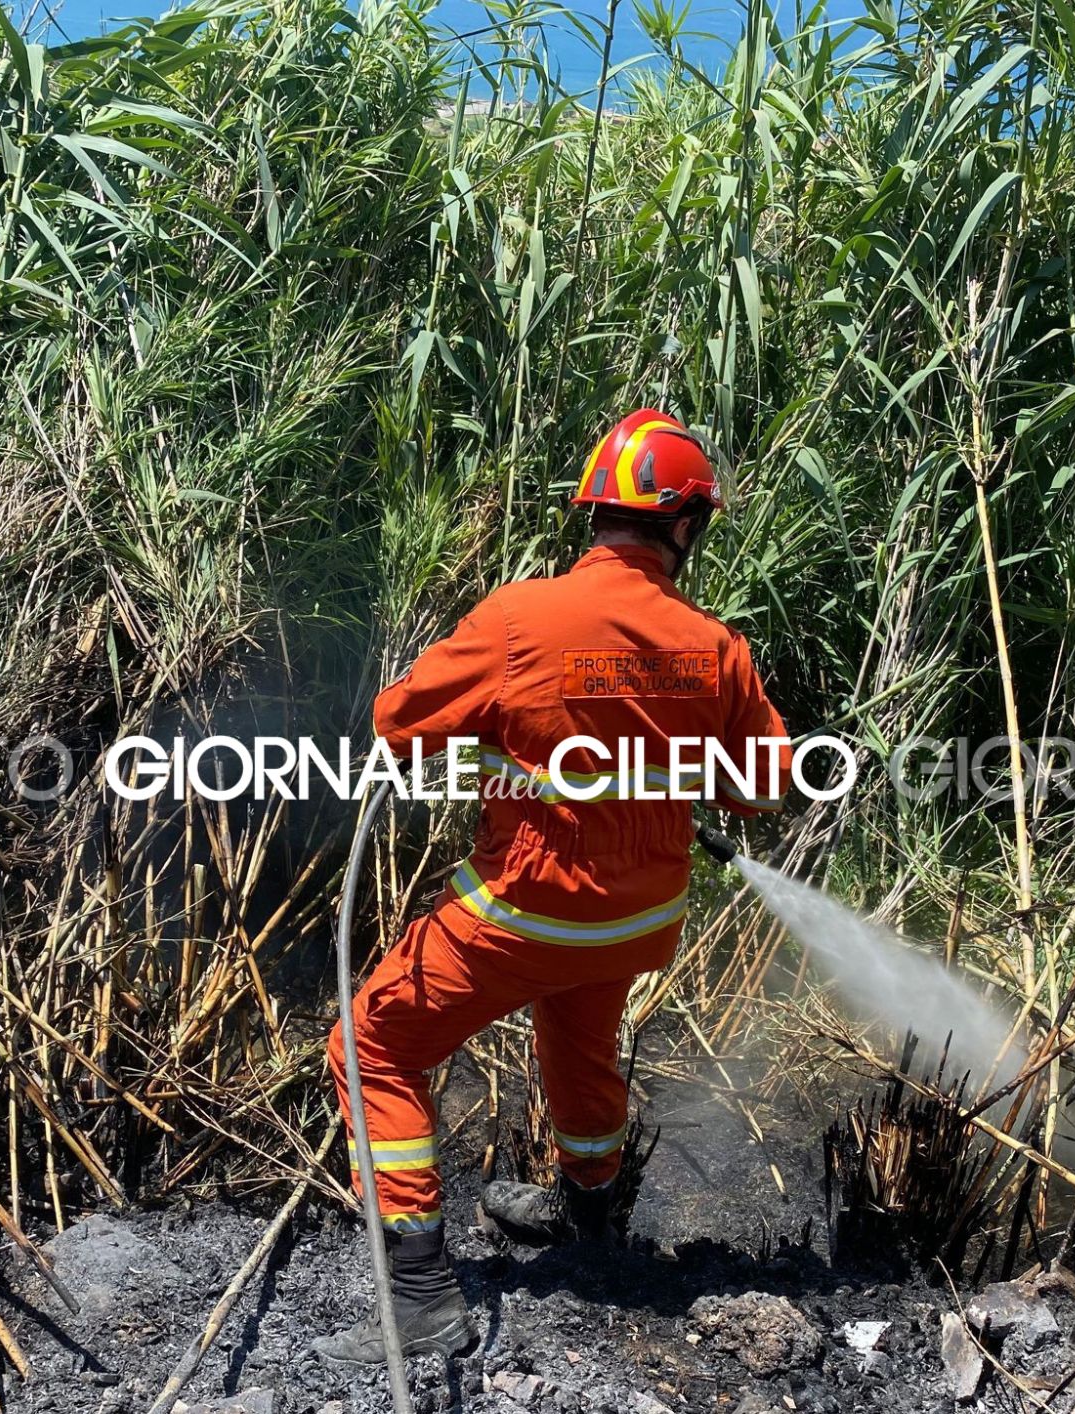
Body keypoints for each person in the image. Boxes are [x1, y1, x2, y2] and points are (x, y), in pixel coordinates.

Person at [316, 409, 793, 1364]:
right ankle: (593, 1228)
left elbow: (400, 727)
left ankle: (419, 1299)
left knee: (368, 1049)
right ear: (684, 526)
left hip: (526, 915)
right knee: (581, 1047)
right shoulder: (718, 647)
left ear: (596, 517)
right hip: (638, 921)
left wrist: (502, 735)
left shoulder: (519, 619)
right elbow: (766, 787)